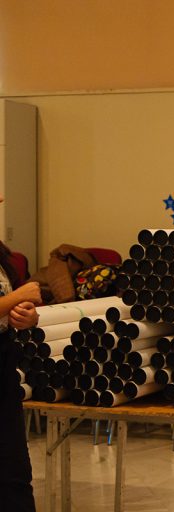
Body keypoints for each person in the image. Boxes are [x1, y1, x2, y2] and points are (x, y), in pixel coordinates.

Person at [0, 197, 42, 511]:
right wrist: (17, 297)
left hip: (3, 363)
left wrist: (28, 315)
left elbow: (16, 304)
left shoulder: (2, 254)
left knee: (13, 471)